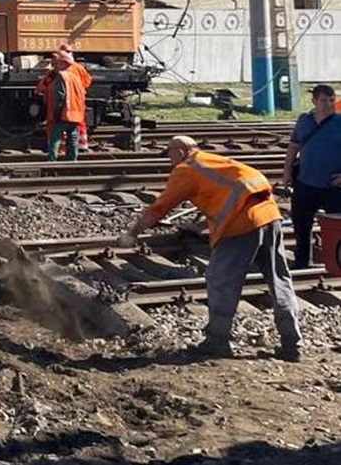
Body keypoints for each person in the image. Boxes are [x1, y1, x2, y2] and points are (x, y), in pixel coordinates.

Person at [123, 136, 301, 361]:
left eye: (169, 153)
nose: (169, 160)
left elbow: (160, 207)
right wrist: (200, 226)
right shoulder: (213, 161)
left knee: (220, 280)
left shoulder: (186, 168)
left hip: (241, 224)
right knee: (279, 279)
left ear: (182, 151)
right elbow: (231, 193)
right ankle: (292, 345)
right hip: (269, 215)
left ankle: (217, 341)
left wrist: (132, 233)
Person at [280, 84, 341, 268]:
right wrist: (287, 172)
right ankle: (302, 262)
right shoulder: (304, 120)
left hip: (333, 185)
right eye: (324, 100)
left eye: (332, 100)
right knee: (301, 224)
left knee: (337, 228)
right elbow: (293, 147)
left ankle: (336, 263)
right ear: (314, 101)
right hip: (306, 182)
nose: (329, 104)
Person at [36, 49, 87, 161]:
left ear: (62, 63)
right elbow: (84, 89)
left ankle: (52, 160)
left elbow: (59, 95)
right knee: (73, 138)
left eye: (56, 62)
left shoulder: (59, 75)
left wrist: (56, 113)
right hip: (76, 114)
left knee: (55, 137)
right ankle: (72, 161)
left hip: (64, 112)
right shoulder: (76, 76)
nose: (54, 64)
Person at [57, 42, 93, 152]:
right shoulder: (79, 67)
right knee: (79, 121)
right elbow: (88, 81)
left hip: (67, 100)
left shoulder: (60, 70)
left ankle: (63, 147)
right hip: (79, 99)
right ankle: (82, 144)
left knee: (63, 121)